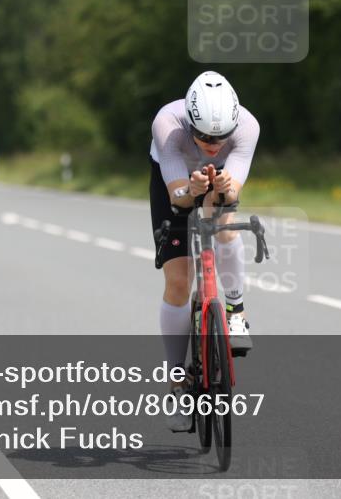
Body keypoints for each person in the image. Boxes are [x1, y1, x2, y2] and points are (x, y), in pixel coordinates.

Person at [150, 71, 259, 431]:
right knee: (179, 282)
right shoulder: (169, 125)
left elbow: (231, 195)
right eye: (205, 137)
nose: (212, 144)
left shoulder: (246, 127)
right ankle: (177, 380)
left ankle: (235, 308)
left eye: (220, 138)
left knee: (225, 222)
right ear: (191, 126)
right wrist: (191, 189)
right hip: (176, 177)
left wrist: (223, 189)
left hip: (220, 177)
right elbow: (177, 198)